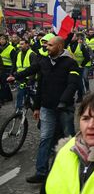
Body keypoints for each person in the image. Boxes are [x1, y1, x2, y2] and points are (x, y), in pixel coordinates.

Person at [9, 35, 80, 183]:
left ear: (60, 47)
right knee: (45, 138)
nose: (46, 47)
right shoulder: (44, 61)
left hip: (64, 108)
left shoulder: (71, 63)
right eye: (46, 45)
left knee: (69, 138)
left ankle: (76, 168)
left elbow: (73, 84)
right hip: (47, 108)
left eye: (50, 45)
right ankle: (41, 172)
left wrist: (63, 101)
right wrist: (15, 77)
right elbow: (34, 75)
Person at [14, 39, 37, 111]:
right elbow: (15, 65)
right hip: (20, 79)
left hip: (29, 79)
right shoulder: (18, 53)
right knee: (20, 94)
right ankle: (18, 111)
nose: (20, 46)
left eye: (22, 44)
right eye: (19, 44)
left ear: (27, 44)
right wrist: (13, 74)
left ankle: (36, 108)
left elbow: (34, 69)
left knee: (32, 94)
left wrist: (31, 80)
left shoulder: (32, 54)